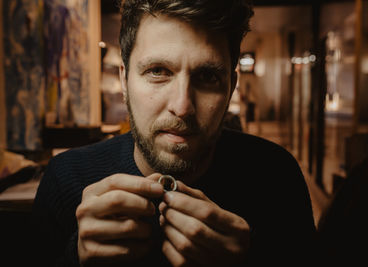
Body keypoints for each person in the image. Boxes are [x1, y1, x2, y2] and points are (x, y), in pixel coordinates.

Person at [32, 1, 317, 266]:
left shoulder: (276, 176)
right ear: (124, 79)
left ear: (231, 87)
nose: (182, 107)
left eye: (207, 77)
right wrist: (75, 256)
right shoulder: (66, 179)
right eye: (158, 71)